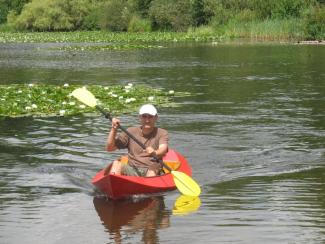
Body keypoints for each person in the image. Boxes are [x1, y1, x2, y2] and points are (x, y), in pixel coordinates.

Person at [104, 104, 168, 177]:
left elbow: (163, 149)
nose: (147, 120)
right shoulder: (130, 131)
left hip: (151, 169)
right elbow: (109, 148)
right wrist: (114, 129)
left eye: (150, 117)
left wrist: (154, 152)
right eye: (144, 116)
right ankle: (116, 184)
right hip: (132, 168)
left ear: (156, 118)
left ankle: (147, 186)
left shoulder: (162, 132)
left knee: (152, 170)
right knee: (116, 163)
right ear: (139, 117)